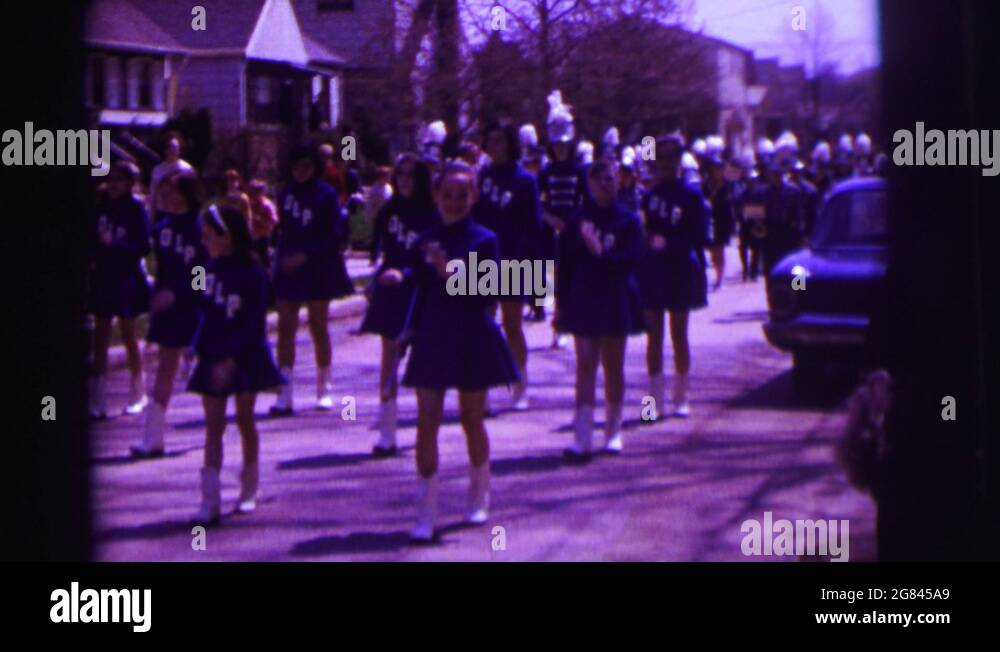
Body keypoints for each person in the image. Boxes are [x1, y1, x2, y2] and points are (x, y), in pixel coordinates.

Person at [399, 162, 520, 541]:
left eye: (461, 195)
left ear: (474, 197)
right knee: (427, 421)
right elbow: (415, 285)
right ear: (436, 196)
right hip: (434, 336)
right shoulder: (425, 239)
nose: (453, 202)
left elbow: (490, 290)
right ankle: (425, 512)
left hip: (471, 335)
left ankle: (479, 490)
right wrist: (397, 280)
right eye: (447, 195)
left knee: (471, 419)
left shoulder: (485, 239)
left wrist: (452, 273)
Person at [188, 205, 284, 525]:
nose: (203, 241)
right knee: (213, 426)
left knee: (245, 419)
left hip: (244, 354)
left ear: (227, 236)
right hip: (213, 353)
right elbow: (201, 311)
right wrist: (196, 347)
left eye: (209, 235)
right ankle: (209, 499)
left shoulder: (252, 273)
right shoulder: (204, 269)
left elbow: (254, 323)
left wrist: (231, 359)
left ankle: (249, 486)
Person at [557, 160, 644, 458]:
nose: (605, 184)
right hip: (583, 299)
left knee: (613, 366)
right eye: (598, 180)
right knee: (584, 367)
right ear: (589, 183)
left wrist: (601, 253)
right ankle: (582, 437)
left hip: (614, 298)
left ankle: (613, 431)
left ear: (618, 181)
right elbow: (564, 267)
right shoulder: (576, 220)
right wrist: (562, 306)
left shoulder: (629, 221)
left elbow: (630, 262)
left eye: (610, 178)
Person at [360, 154, 438, 457]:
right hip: (392, 290)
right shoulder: (391, 210)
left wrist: (406, 273)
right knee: (389, 358)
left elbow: (429, 260)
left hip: (423, 290)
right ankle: (387, 433)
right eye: (400, 175)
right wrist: (377, 276)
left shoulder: (431, 213)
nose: (404, 181)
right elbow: (384, 249)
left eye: (410, 175)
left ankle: (424, 430)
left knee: (423, 362)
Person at [270, 146, 354, 415]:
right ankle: (284, 394)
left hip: (317, 265)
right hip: (289, 266)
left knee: (318, 326)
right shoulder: (285, 194)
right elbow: (281, 231)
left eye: (306, 166)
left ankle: (324, 390)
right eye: (296, 166)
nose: (301, 171)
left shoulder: (326, 195)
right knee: (286, 328)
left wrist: (306, 254)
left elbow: (334, 235)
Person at [131, 172, 207, 457]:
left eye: (172, 191)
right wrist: (156, 294)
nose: (166, 196)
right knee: (165, 366)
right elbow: (163, 268)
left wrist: (180, 293)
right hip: (167, 308)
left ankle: (219, 423)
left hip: (193, 305)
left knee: (210, 364)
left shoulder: (200, 227)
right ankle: (153, 437)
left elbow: (202, 272)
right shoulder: (161, 227)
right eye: (163, 191)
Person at [636, 135, 708, 420]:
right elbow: (644, 232)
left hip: (679, 270)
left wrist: (669, 243)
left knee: (679, 334)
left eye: (671, 157)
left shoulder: (691, 196)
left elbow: (699, 236)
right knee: (653, 337)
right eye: (661, 157)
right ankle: (654, 401)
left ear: (680, 160)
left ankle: (681, 396)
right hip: (654, 272)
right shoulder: (650, 196)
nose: (666, 163)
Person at [472, 122, 542, 410]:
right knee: (482, 325)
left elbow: (533, 226)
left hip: (515, 259)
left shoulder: (525, 180)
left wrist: (525, 260)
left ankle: (520, 383)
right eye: (491, 141)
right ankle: (484, 388)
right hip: (482, 260)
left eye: (500, 141)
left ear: (511, 144)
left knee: (513, 325)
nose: (494, 146)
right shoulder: (482, 176)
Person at [87, 161, 151, 419]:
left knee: (128, 332)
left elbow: (143, 245)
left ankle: (138, 393)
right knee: (100, 334)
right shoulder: (101, 206)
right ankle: (98, 398)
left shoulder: (136, 208)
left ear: (130, 183)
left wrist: (116, 244)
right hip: (103, 275)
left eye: (120, 179)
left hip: (126, 275)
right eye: (111, 178)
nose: (114, 184)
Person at [538, 89, 587, 350]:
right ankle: (558, 327)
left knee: (571, 278)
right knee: (555, 281)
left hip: (573, 231)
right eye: (556, 145)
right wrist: (549, 218)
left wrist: (574, 222)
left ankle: (571, 323)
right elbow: (538, 200)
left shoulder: (580, 170)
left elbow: (585, 200)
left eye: (564, 145)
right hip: (552, 232)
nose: (560, 149)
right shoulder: (546, 171)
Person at [701, 154, 736, 290]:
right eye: (714, 169)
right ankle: (716, 271)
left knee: (719, 249)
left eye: (718, 169)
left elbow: (730, 207)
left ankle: (720, 278)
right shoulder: (705, 186)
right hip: (709, 221)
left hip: (721, 222)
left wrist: (731, 226)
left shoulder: (726, 187)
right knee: (712, 251)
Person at [148, 133, 194, 214]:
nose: (172, 150)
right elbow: (153, 194)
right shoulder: (157, 170)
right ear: (165, 150)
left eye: (175, 147)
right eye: (169, 147)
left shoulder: (187, 169)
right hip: (162, 211)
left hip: (181, 212)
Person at [246, 179, 277, 270]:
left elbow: (273, 222)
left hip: (262, 239)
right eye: (252, 191)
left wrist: (259, 219)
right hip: (250, 238)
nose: (253, 194)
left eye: (256, 191)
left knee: (263, 263)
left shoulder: (266, 205)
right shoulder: (248, 204)